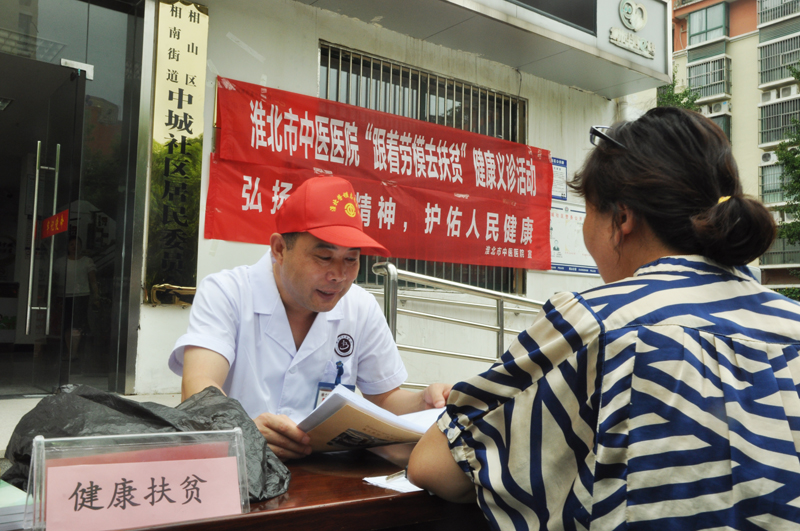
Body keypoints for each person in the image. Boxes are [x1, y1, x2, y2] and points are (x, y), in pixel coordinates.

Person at [408, 107, 800, 529]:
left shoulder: (600, 323)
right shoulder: (791, 323)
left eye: (589, 210)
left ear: (622, 218)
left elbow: (434, 465)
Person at [169, 176, 451, 460]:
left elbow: (384, 398)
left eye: (351, 259)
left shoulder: (360, 307)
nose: (339, 275)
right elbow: (199, 385)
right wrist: (244, 430)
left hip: (326, 472)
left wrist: (424, 402)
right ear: (280, 249)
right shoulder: (227, 292)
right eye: (324, 258)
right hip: (242, 466)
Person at [54, 236, 99, 359]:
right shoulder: (60, 262)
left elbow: (93, 280)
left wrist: (96, 295)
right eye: (72, 244)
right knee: (66, 324)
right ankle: (70, 351)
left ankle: (74, 352)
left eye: (77, 244)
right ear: (67, 247)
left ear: (81, 246)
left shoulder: (87, 261)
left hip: (81, 296)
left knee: (77, 324)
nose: (74, 247)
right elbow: (54, 280)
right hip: (64, 296)